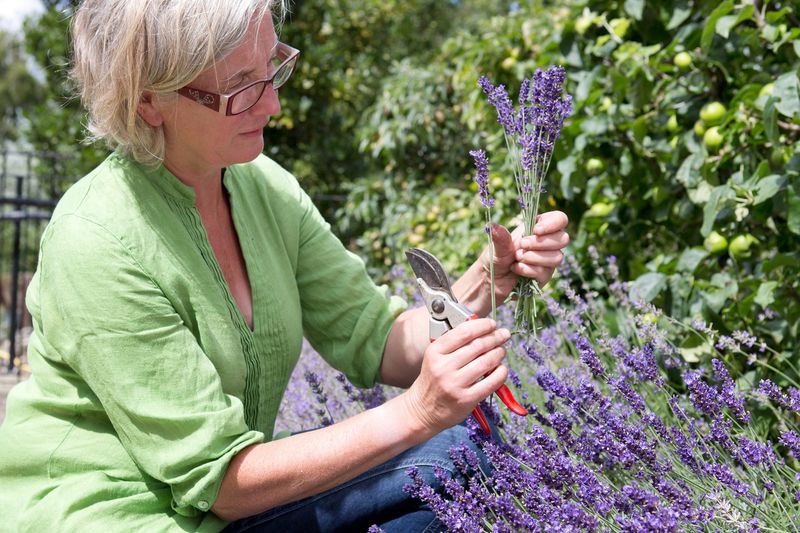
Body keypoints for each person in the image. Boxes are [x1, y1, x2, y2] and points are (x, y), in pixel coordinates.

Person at [0, 0, 570, 531]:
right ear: (149, 99)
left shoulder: (262, 188)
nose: (272, 102)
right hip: (114, 517)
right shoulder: (98, 239)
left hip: (228, 511)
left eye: (271, 69)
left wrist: (481, 282)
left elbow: (375, 338)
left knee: (460, 472)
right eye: (240, 88)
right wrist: (420, 413)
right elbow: (221, 479)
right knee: (452, 458)